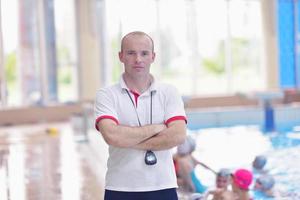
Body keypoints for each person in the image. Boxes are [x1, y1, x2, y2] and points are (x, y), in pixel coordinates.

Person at [94, 31, 187, 200]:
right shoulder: (106, 95)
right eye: (131, 53)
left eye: (144, 53)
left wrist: (127, 138)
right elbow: (112, 136)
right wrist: (156, 128)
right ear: (121, 56)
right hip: (120, 187)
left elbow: (178, 135)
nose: (138, 59)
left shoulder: (169, 92)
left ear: (153, 56)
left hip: (163, 185)